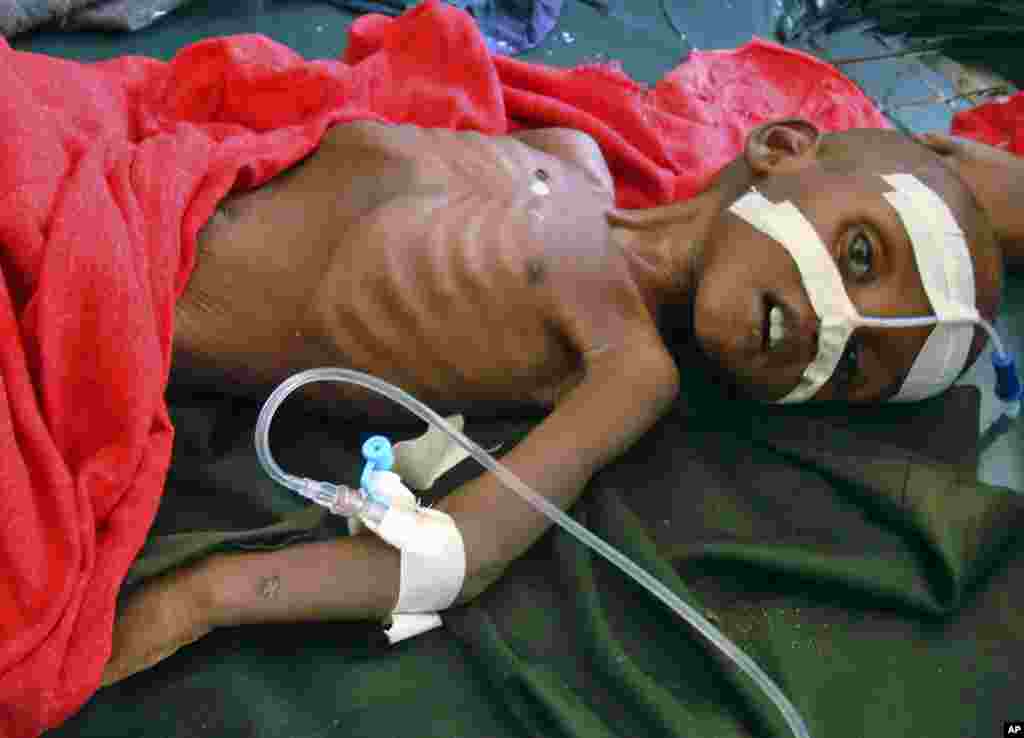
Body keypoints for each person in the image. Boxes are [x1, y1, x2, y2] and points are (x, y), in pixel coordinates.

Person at [100, 117, 1023, 685]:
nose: (830, 325)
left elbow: (451, 559)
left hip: (107, 303)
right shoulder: (566, 155)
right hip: (132, 178)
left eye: (856, 363)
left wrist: (206, 599)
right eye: (862, 257)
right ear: (780, 147)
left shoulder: (627, 367)